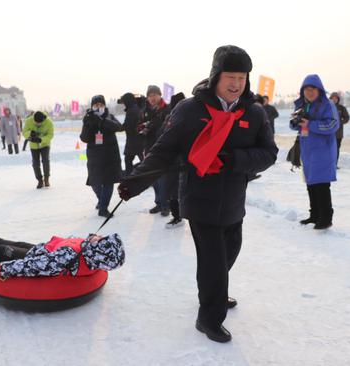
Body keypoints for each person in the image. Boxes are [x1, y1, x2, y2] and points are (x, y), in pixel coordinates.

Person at [118, 45, 278, 342]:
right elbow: (163, 151)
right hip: (199, 198)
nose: (236, 84)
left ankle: (214, 289)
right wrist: (135, 181)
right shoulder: (190, 109)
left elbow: (269, 153)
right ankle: (209, 317)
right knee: (213, 261)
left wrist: (235, 160)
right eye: (230, 76)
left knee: (230, 252)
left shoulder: (253, 112)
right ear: (216, 76)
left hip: (233, 199)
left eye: (242, 78)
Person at [0, 224, 124, 278]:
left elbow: (35, 266)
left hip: (42, 257)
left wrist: (1, 269)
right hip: (45, 250)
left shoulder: (69, 256)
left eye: (100, 240)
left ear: (98, 251)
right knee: (18, 243)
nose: (98, 236)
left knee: (3, 252)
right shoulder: (88, 253)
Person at [291, 75, 339, 230]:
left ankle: (325, 218)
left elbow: (333, 125)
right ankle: (314, 215)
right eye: (306, 89)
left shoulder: (327, 104)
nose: (309, 92)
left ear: (319, 90)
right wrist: (295, 122)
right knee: (311, 183)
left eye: (313, 89)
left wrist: (310, 124)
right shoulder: (302, 105)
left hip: (323, 150)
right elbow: (296, 126)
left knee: (322, 184)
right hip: (308, 150)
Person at [80, 95, 123, 218]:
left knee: (108, 182)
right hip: (95, 156)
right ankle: (102, 200)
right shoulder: (88, 118)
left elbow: (119, 127)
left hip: (110, 155)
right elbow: (84, 138)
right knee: (95, 182)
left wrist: (103, 121)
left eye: (101, 105)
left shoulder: (109, 116)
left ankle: (103, 208)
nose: (98, 107)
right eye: (96, 105)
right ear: (92, 107)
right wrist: (88, 124)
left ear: (104, 106)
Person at [139, 85, 171, 216]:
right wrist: (142, 128)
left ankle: (166, 205)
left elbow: (169, 127)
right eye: (149, 95)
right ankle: (158, 202)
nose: (152, 98)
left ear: (160, 95)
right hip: (149, 147)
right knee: (153, 178)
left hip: (164, 148)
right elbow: (138, 126)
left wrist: (151, 125)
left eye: (154, 95)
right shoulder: (144, 110)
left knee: (164, 178)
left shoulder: (167, 109)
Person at [162, 92, 186, 229]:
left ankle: (178, 217)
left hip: (180, 161)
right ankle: (176, 215)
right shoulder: (170, 118)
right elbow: (162, 135)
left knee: (177, 190)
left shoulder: (188, 118)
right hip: (170, 160)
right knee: (171, 189)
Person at [23, 111, 54, 189]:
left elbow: (50, 135)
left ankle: (46, 178)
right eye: (36, 123)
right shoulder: (28, 121)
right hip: (34, 146)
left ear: (43, 120)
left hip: (45, 144)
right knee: (35, 163)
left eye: (40, 123)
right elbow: (24, 132)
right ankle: (40, 180)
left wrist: (41, 139)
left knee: (45, 160)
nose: (38, 124)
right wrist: (30, 133)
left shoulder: (49, 123)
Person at [119, 92, 145, 175]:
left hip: (133, 140)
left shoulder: (131, 111)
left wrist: (114, 125)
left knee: (128, 160)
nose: (124, 105)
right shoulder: (138, 108)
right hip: (139, 139)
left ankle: (130, 176)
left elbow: (126, 126)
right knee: (142, 159)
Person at [329, 92, 350, 168]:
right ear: (330, 99)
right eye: (333, 98)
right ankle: (329, 163)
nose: (334, 100)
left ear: (338, 99)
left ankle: (334, 164)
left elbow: (347, 117)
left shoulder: (341, 108)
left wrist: (340, 122)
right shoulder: (327, 107)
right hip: (329, 133)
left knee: (336, 149)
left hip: (338, 133)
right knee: (329, 149)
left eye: (336, 98)